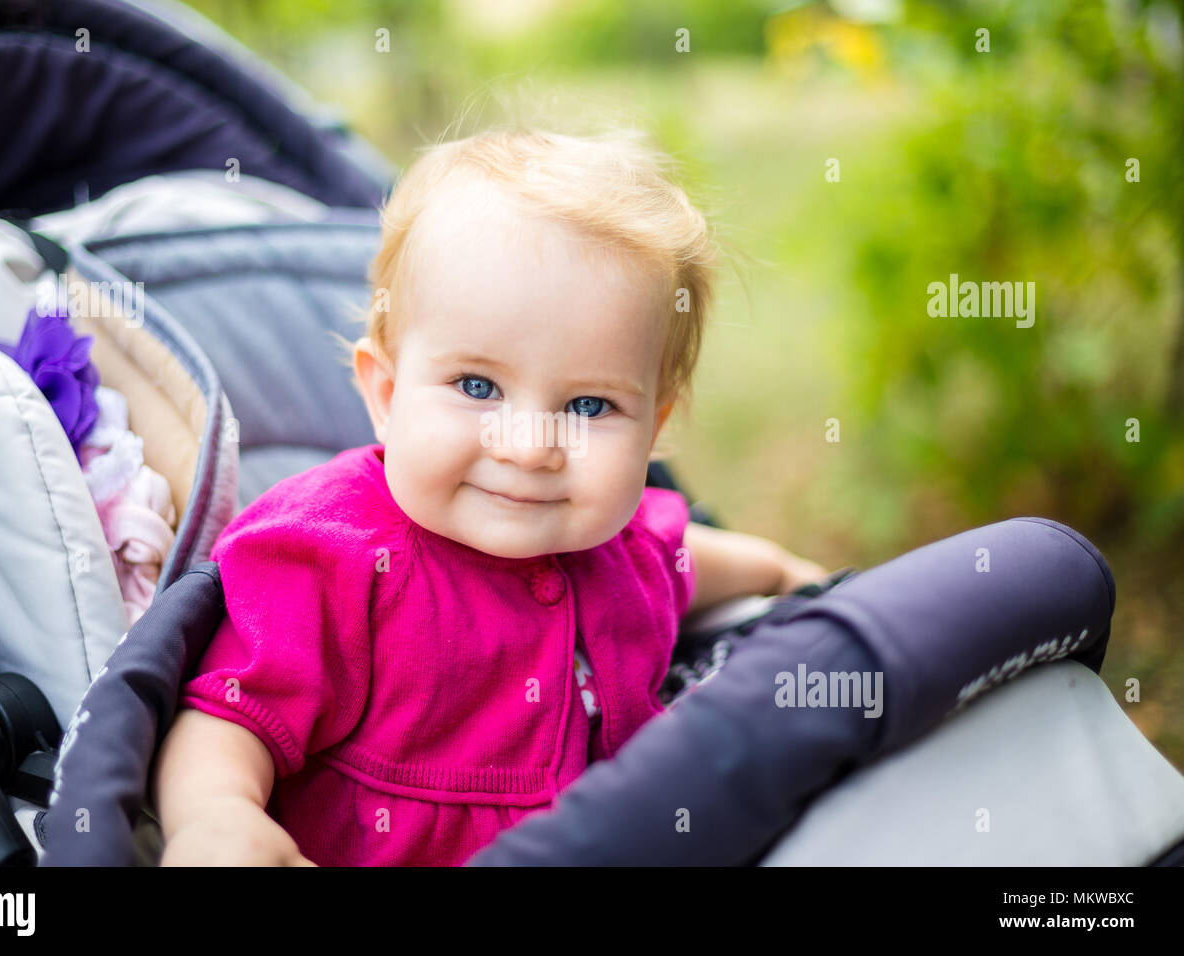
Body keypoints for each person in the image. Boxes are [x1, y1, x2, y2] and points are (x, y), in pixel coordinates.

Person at [152, 127, 827, 866]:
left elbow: (689, 560)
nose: (530, 445)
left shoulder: (622, 547)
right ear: (385, 393)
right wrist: (218, 817)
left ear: (653, 429)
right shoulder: (330, 549)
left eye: (590, 407)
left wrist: (786, 576)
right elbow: (228, 716)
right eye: (478, 387)